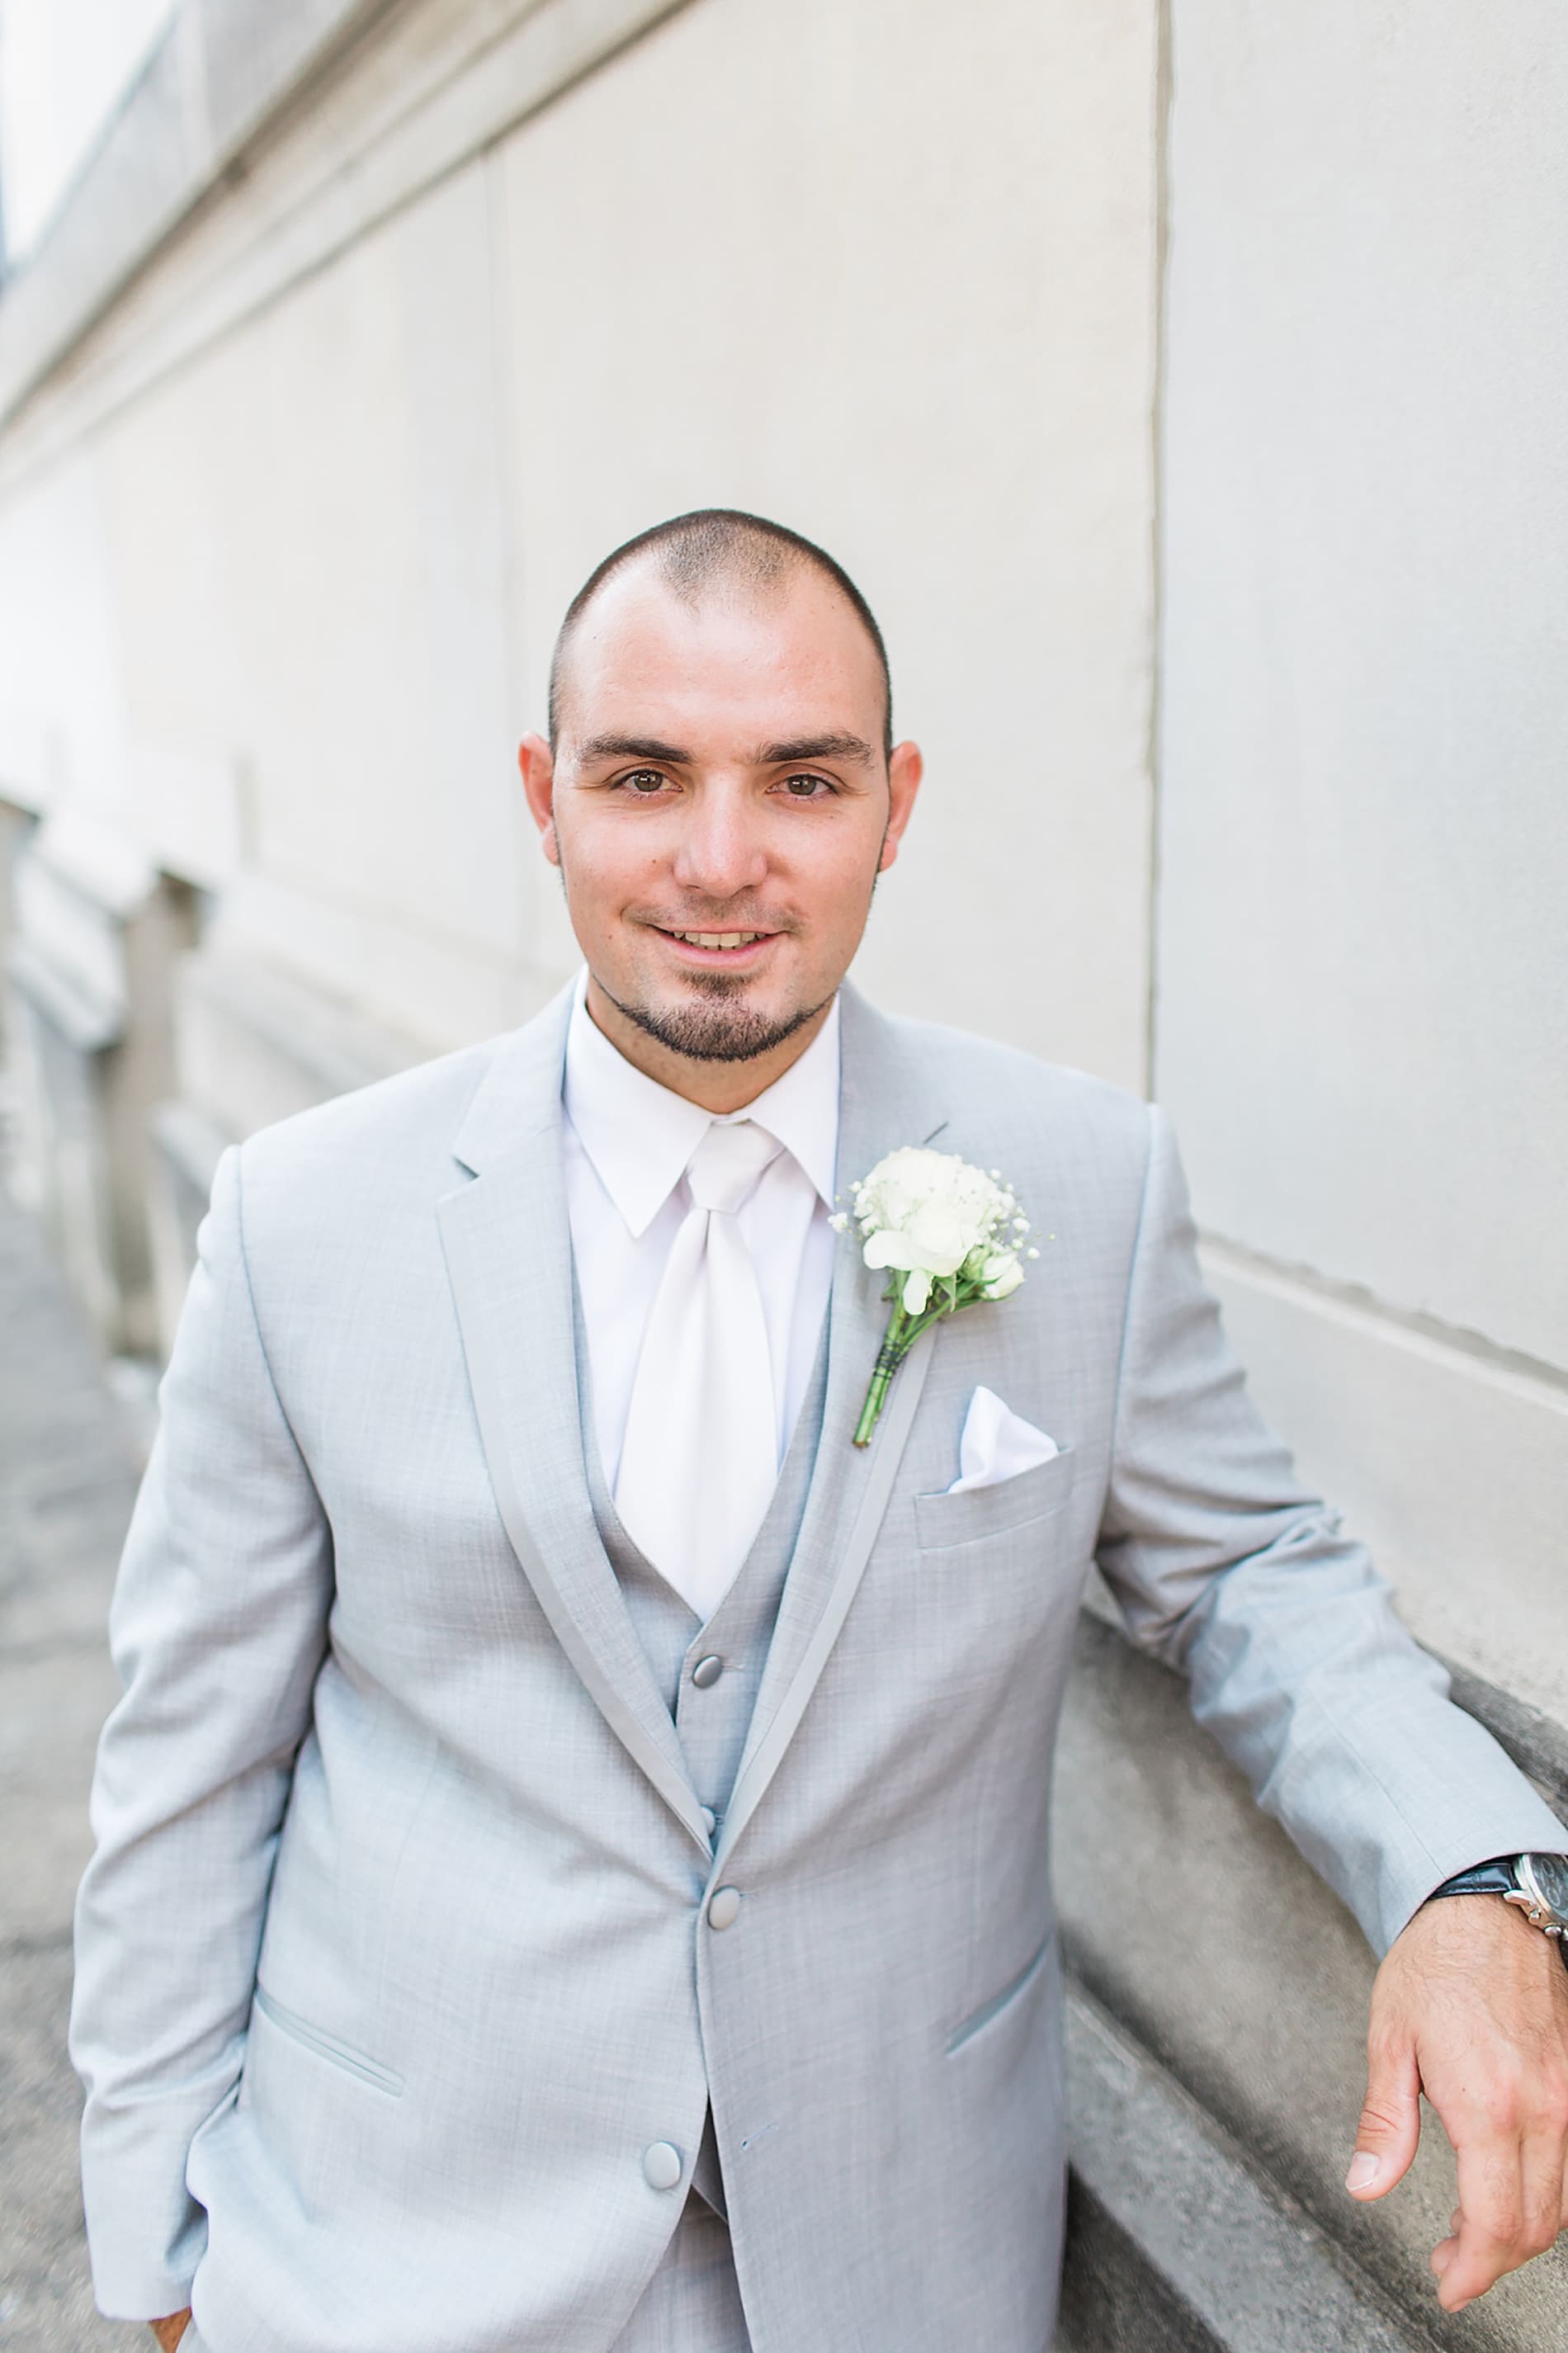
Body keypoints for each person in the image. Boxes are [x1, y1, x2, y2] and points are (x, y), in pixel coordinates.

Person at [73, 510, 1568, 2353]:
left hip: (891, 2262)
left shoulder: (1080, 1185)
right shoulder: (302, 1219)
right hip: (389, 2259)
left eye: (799, 778)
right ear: (545, 796)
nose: (721, 861)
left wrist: (1464, 1877)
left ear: (893, 800)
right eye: (644, 776)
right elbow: (189, 1775)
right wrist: (155, 2253)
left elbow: (1248, 1570)